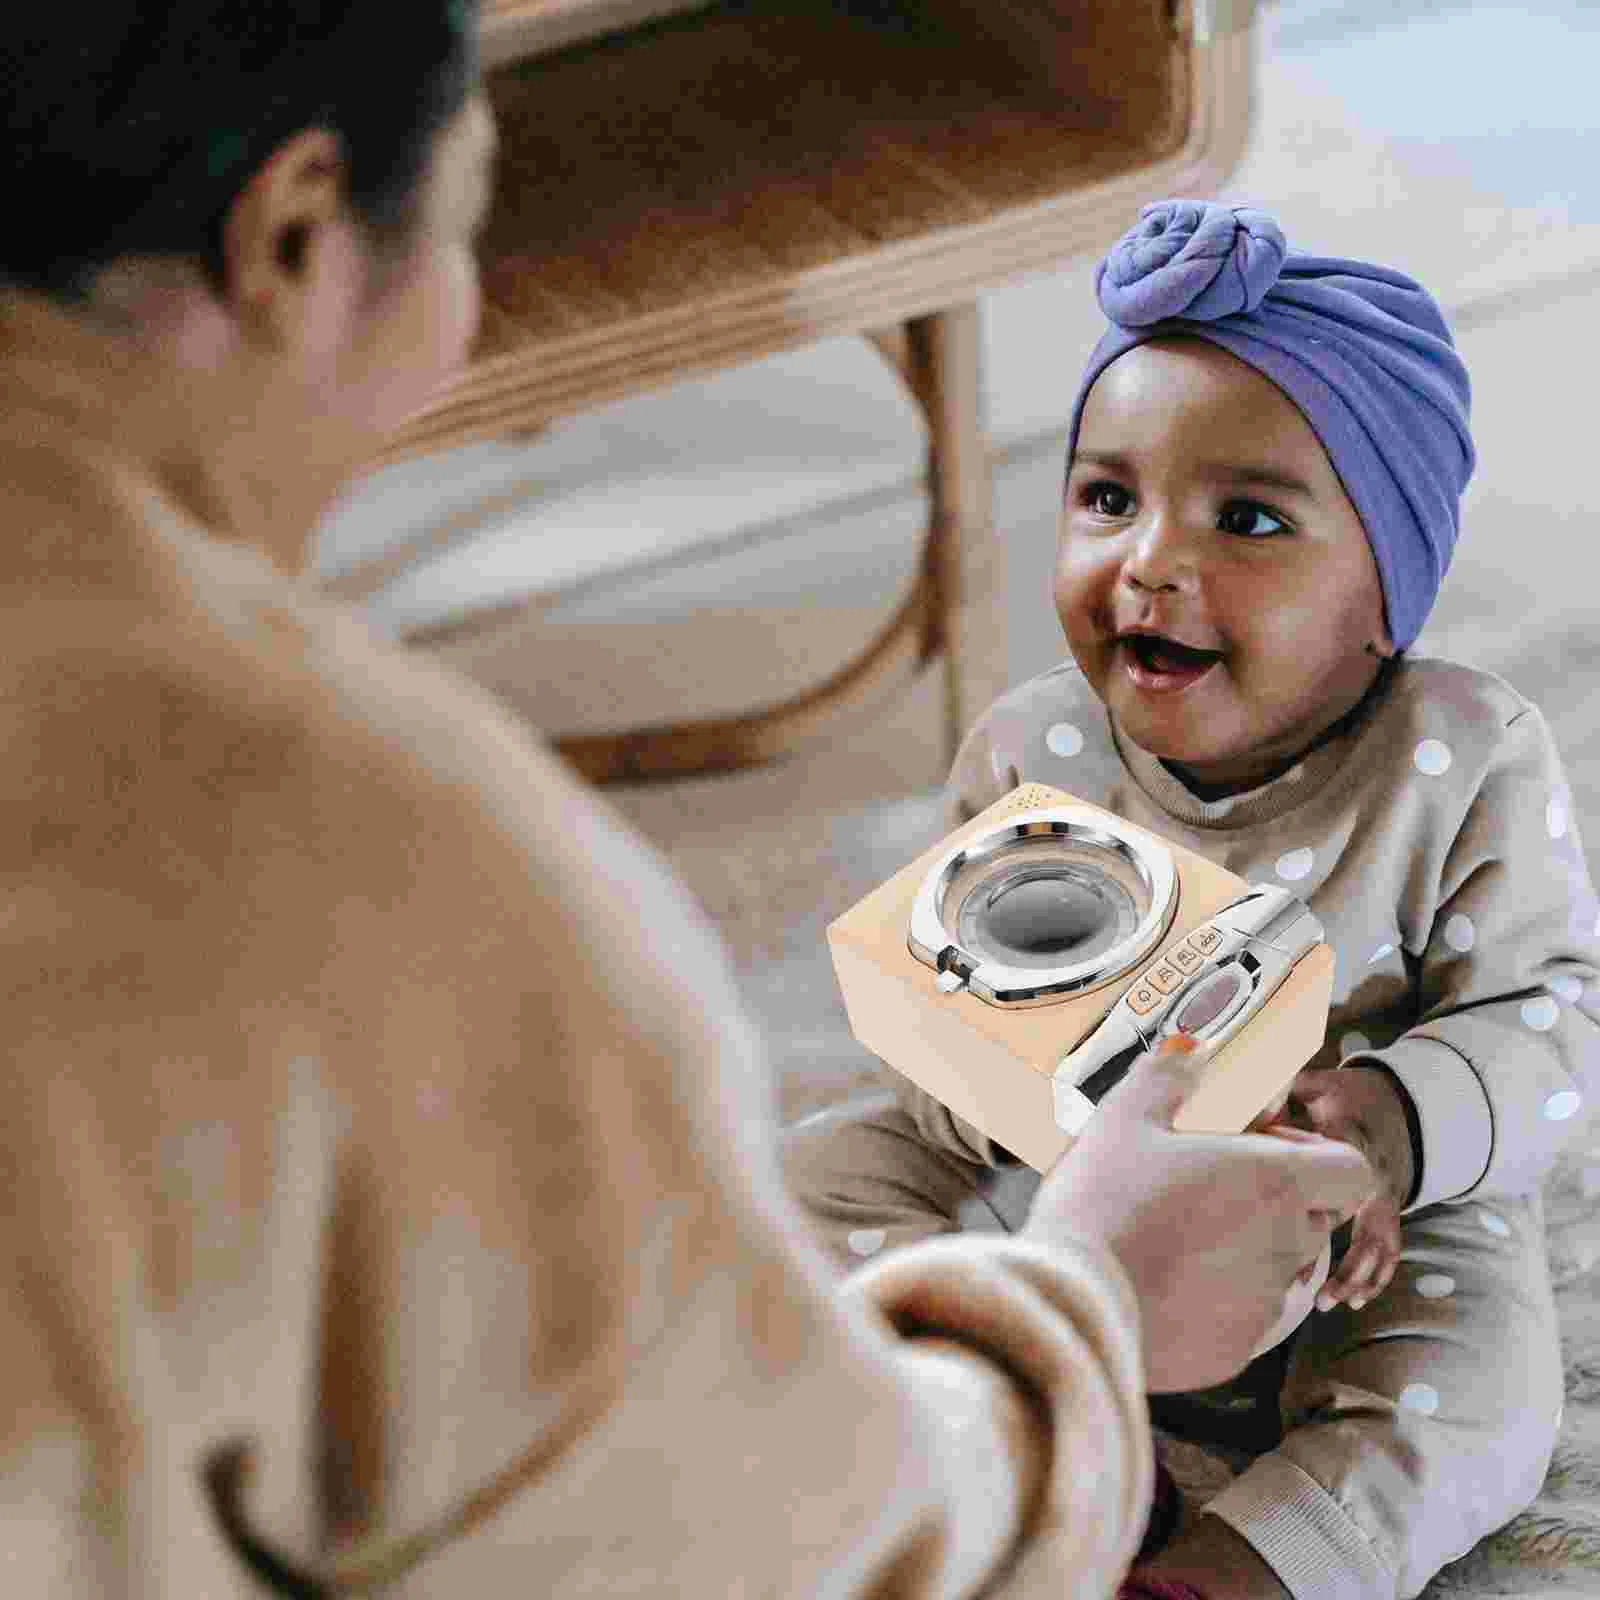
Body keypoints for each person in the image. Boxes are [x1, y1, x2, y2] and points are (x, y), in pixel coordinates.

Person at [0, 14, 1379, 1597]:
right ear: (296, 233)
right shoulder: (387, 878)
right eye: (469, 226)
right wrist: (1087, 1311)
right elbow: (796, 1567)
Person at [784, 199, 1600, 1600]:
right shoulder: (1034, 747)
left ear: (1385, 595)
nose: (1150, 560)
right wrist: (993, 1095)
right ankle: (1072, 1445)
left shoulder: (1462, 759)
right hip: (1073, 1209)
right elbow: (931, 1008)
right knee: (816, 1181)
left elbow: (1564, 1018)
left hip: (1357, 1239)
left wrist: (1402, 1125)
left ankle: (1240, 1559)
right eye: (1108, 498)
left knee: (1484, 1388)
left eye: (1247, 518)